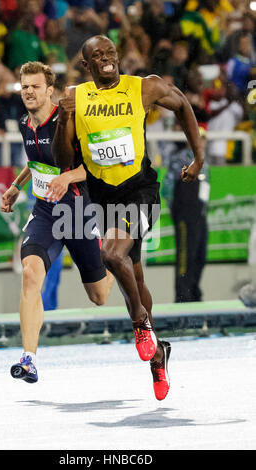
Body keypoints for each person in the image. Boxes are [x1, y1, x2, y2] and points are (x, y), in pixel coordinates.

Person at [51, 35, 204, 401]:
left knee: (112, 255)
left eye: (110, 52)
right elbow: (62, 162)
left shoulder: (143, 87)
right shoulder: (77, 97)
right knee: (131, 275)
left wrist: (199, 157)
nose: (106, 59)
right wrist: (64, 118)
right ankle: (158, 354)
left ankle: (139, 324)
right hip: (104, 197)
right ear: (86, 65)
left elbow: (182, 106)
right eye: (97, 56)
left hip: (140, 190)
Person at [0, 61, 113, 384]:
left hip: (78, 211)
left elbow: (97, 166)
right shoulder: (24, 122)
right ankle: (29, 358)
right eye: (24, 87)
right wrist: (16, 186)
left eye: (35, 87)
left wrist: (69, 177)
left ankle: (115, 259)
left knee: (99, 296)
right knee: (31, 273)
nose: (29, 92)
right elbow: (35, 160)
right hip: (46, 213)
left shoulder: (69, 122)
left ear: (50, 90)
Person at [162, 127, 209, 303]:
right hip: (185, 215)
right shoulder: (181, 159)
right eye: (198, 138)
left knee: (199, 256)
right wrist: (178, 210)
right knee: (185, 257)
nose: (201, 142)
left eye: (203, 139)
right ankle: (183, 298)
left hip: (200, 215)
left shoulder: (206, 162)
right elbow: (167, 189)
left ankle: (194, 294)